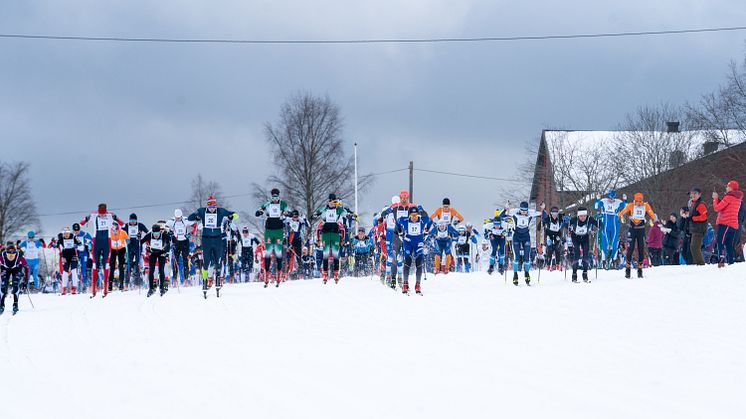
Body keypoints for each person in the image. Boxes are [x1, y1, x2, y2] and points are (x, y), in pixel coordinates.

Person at [189, 196, 238, 295]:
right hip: (206, 240)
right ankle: (205, 281)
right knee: (206, 262)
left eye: (214, 207)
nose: (212, 209)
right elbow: (190, 218)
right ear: (207, 206)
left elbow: (236, 214)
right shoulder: (202, 211)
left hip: (217, 240)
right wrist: (196, 216)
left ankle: (218, 279)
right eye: (211, 207)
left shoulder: (221, 211)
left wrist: (231, 217)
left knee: (218, 261)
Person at [80, 203, 124, 297]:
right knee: (95, 264)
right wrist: (87, 218)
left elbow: (122, 224)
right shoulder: (94, 215)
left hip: (107, 242)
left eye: (103, 214)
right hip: (96, 241)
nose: (102, 215)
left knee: (106, 264)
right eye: (101, 214)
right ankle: (94, 288)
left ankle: (105, 288)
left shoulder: (110, 215)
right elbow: (81, 223)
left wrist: (115, 217)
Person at [618, 193, 657, 278]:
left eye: (640, 201)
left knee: (641, 248)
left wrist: (651, 220)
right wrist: (622, 218)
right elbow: (621, 213)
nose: (638, 203)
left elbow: (653, 215)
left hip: (641, 230)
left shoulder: (646, 206)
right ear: (634, 200)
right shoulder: (630, 205)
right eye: (637, 201)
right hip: (632, 229)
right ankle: (627, 270)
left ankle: (640, 270)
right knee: (630, 248)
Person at [255, 188, 289, 286]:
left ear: (279, 196)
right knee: (268, 253)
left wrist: (288, 213)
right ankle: (266, 274)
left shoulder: (283, 204)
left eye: (276, 196)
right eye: (273, 197)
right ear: (271, 196)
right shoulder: (268, 204)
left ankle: (278, 274)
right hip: (269, 230)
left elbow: (287, 211)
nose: (275, 199)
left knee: (278, 252)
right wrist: (259, 212)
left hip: (278, 230)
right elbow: (260, 209)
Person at [396, 206, 432, 294]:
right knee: (407, 262)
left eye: (416, 215)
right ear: (410, 215)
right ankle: (405, 284)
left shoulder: (422, 220)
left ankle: (418, 284)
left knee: (419, 263)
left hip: (419, 242)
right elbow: (397, 221)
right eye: (412, 216)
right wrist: (400, 231)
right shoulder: (405, 220)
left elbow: (430, 220)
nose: (414, 218)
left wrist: (427, 230)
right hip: (408, 242)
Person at [313, 193, 348, 284]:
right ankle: (325, 274)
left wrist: (352, 216)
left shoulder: (338, 209)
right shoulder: (324, 209)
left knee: (336, 255)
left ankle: (336, 273)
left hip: (335, 234)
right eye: (331, 201)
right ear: (328, 201)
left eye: (334, 201)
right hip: (326, 234)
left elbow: (346, 214)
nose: (333, 203)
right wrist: (315, 215)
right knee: (326, 254)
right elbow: (315, 214)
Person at [507, 201, 543, 286]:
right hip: (516, 236)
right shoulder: (515, 212)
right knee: (517, 256)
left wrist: (542, 208)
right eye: (522, 211)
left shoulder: (530, 213)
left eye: (525, 211)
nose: (524, 213)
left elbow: (541, 214)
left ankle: (526, 273)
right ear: (520, 209)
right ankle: (515, 275)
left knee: (527, 256)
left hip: (526, 236)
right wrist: (507, 207)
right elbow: (506, 213)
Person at [712, 180, 743, 267]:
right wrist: (718, 199)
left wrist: (715, 199)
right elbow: (726, 206)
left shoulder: (729, 197)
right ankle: (730, 261)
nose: (726, 187)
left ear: (731, 188)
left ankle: (721, 260)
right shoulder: (737, 198)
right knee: (729, 244)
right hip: (733, 224)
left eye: (727, 186)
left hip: (725, 223)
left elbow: (717, 208)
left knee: (720, 241)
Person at [593, 190, 626, 269]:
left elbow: (627, 206)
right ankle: (604, 260)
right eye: (610, 198)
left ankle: (614, 260)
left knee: (614, 243)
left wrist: (625, 200)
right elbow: (596, 206)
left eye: (612, 199)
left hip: (615, 226)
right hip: (605, 225)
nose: (611, 200)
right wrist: (597, 199)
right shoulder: (604, 201)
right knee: (605, 243)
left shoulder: (618, 202)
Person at [568, 207, 600, 282]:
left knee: (586, 255)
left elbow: (598, 224)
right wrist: (566, 221)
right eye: (581, 216)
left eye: (584, 216)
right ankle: (574, 274)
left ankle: (585, 273)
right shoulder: (574, 220)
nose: (583, 218)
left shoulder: (589, 219)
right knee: (577, 254)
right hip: (575, 238)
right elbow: (565, 225)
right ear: (578, 216)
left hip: (585, 237)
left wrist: (599, 221)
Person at [166, 209, 197, 286]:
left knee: (185, 261)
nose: (178, 219)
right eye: (177, 218)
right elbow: (166, 226)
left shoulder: (185, 220)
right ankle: (175, 281)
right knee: (175, 261)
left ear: (181, 216)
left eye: (179, 218)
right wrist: (169, 231)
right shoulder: (172, 220)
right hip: (176, 242)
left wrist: (192, 233)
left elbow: (195, 224)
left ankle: (186, 280)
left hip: (185, 242)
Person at [140, 224, 172, 297]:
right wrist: (139, 239)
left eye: (158, 233)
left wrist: (170, 235)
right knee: (151, 270)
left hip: (161, 253)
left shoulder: (163, 235)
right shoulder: (149, 235)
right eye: (155, 234)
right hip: (152, 253)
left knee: (161, 270)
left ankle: (161, 288)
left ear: (160, 232)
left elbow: (169, 241)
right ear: (152, 233)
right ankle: (151, 288)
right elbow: (141, 242)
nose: (156, 235)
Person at [0, 243, 29, 315]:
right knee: (3, 286)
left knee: (15, 284)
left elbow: (27, 268)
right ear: (6, 253)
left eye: (13, 255)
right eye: (9, 254)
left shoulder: (19, 257)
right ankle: (1, 305)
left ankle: (15, 304)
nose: (10, 257)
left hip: (16, 269)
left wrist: (26, 281)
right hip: (5, 269)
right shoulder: (2, 256)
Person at [125, 214, 149, 287]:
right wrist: (125, 238)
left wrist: (141, 238)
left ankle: (137, 283)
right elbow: (120, 233)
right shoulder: (126, 226)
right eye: (131, 220)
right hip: (129, 246)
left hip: (138, 246)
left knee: (138, 264)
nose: (132, 222)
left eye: (134, 220)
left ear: (136, 220)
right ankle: (126, 283)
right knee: (129, 264)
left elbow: (148, 232)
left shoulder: (140, 225)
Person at [57, 227, 83, 295]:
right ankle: (64, 288)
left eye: (67, 233)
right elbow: (57, 246)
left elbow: (80, 243)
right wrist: (62, 255)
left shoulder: (73, 236)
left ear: (69, 233)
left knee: (74, 271)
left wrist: (76, 245)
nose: (66, 235)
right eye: (64, 234)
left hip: (73, 255)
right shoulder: (61, 238)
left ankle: (74, 288)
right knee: (65, 272)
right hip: (65, 256)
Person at [284, 210, 309, 276]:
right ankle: (287, 269)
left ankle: (300, 270)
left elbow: (307, 225)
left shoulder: (300, 220)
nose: (295, 218)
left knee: (298, 255)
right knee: (289, 255)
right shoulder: (288, 220)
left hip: (297, 240)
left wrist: (305, 219)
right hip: (290, 240)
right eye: (294, 216)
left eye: (296, 216)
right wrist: (284, 215)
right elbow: (282, 222)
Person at [687, 188, 709, 265]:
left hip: (700, 228)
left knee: (694, 247)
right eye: (692, 193)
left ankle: (700, 263)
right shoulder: (693, 203)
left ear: (699, 195)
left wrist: (693, 218)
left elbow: (704, 217)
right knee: (693, 247)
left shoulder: (701, 204)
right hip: (695, 228)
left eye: (695, 193)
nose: (693, 195)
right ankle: (698, 263)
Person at [542, 207, 566, 271]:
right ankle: (548, 266)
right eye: (553, 213)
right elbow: (544, 219)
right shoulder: (548, 218)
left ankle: (558, 265)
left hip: (557, 235)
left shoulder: (560, 218)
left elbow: (565, 219)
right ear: (551, 213)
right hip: (549, 235)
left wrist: (567, 220)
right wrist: (543, 222)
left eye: (556, 213)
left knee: (557, 249)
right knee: (550, 250)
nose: (554, 215)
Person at [109, 223, 129, 292]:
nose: (115, 232)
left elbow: (128, 240)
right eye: (113, 231)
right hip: (113, 250)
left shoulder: (123, 232)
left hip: (121, 249)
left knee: (121, 267)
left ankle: (121, 285)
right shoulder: (109, 233)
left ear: (118, 229)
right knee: (112, 267)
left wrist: (127, 241)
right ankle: (110, 285)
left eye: (116, 230)